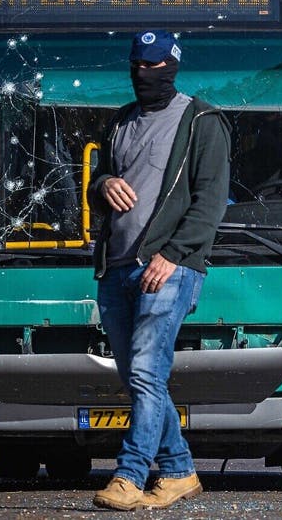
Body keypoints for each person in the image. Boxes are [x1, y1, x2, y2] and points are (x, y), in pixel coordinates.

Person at [88, 30, 231, 511]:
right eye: (137, 67)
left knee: (148, 372)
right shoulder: (119, 124)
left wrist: (172, 255)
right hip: (117, 268)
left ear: (172, 68)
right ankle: (179, 472)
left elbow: (210, 204)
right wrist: (103, 183)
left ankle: (129, 476)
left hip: (170, 268)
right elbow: (95, 183)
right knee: (138, 377)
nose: (143, 76)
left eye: (153, 68)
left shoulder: (202, 121)